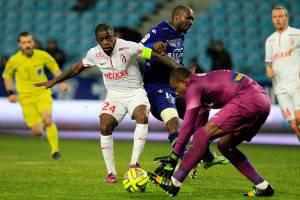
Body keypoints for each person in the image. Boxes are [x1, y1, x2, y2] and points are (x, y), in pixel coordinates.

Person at [34, 23, 181, 184]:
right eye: (101, 39)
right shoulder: (93, 54)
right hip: (114, 96)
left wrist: (182, 70)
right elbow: (76, 68)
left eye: (108, 38)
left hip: (135, 92)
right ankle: (111, 173)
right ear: (97, 40)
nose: (105, 42)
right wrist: (54, 81)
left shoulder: (129, 46)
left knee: (141, 116)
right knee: (105, 125)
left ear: (114, 37)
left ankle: (134, 164)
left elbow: (155, 55)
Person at [148, 67, 274, 197]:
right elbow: (198, 129)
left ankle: (174, 183)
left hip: (247, 99)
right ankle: (263, 186)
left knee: (203, 135)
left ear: (184, 82)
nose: (176, 93)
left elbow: (188, 126)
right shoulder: (204, 86)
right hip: (263, 102)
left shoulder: (193, 86)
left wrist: (174, 156)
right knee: (225, 146)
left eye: (175, 88)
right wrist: (193, 156)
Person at [140, 5, 228, 177]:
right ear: (177, 17)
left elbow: (172, 61)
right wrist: (152, 46)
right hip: (157, 87)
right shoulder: (160, 29)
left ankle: (207, 157)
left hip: (175, 87)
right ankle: (186, 159)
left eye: (193, 19)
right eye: (188, 18)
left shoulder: (180, 35)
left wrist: (185, 73)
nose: (191, 22)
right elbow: (137, 49)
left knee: (196, 117)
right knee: (173, 123)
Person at [2, 32, 68, 159]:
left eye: (29, 42)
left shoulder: (42, 55)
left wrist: (62, 82)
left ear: (33, 43)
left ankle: (55, 151)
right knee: (37, 132)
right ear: (19, 45)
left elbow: (55, 68)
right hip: (25, 97)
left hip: (42, 92)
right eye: (24, 43)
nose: (27, 45)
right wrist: (10, 93)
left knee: (47, 119)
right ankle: (42, 126)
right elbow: (7, 76)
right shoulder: (14, 60)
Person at [265, 5, 300, 141]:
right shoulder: (270, 40)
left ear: (287, 17)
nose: (277, 19)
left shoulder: (296, 34)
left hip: (296, 85)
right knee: (293, 126)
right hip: (280, 88)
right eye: (274, 17)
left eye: (280, 16)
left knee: (298, 119)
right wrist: (269, 70)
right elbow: (269, 61)